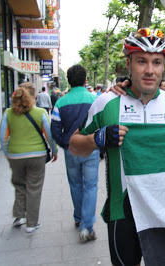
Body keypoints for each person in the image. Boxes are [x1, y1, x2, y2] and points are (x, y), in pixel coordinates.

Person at [68, 28, 165, 266]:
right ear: (129, 63)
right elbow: (74, 146)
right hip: (123, 213)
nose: (149, 70)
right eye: (142, 61)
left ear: (164, 67)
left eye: (156, 62)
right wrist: (96, 139)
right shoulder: (106, 103)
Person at [0, 82, 58, 233]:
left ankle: (19, 216)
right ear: (33, 95)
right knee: (34, 187)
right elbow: (49, 134)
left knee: (19, 184)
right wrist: (54, 150)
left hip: (15, 155)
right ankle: (32, 223)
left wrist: (7, 153)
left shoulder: (8, 113)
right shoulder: (40, 113)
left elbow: (2, 137)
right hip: (36, 155)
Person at [51, 64, 100, 241]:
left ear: (69, 81)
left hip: (71, 150)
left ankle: (79, 218)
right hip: (90, 149)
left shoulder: (60, 102)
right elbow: (101, 124)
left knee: (76, 185)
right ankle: (87, 227)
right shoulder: (94, 99)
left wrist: (65, 144)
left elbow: (55, 129)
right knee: (91, 186)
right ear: (85, 80)